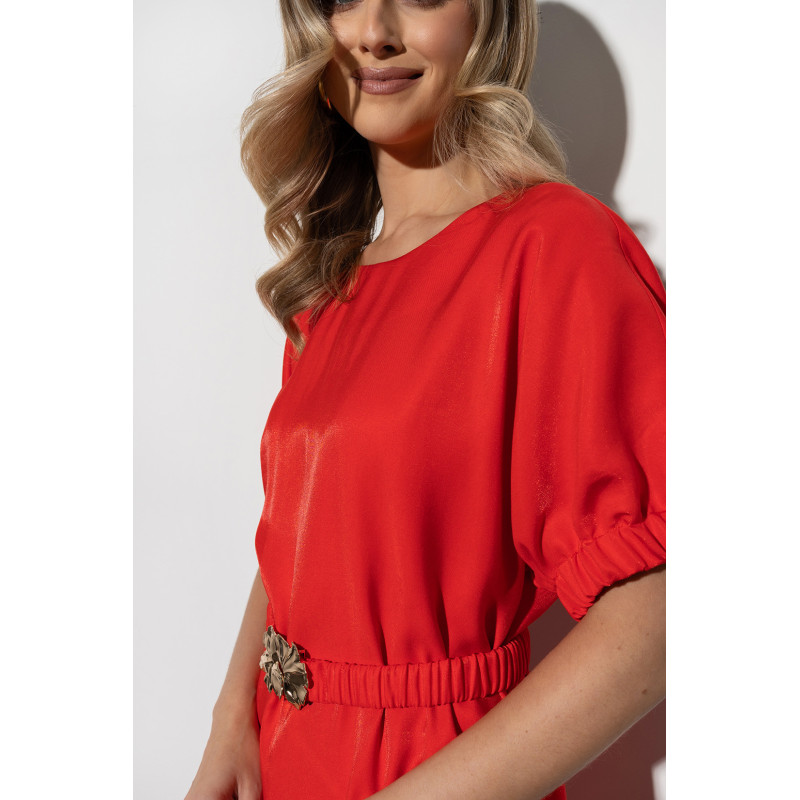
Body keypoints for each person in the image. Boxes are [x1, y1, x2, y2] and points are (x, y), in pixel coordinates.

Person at [185, 1, 666, 798]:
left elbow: (656, 613)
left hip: (435, 772)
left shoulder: (555, 248)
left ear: (489, 20)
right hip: (283, 757)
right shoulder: (331, 285)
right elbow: (306, 541)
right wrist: (231, 719)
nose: (375, 32)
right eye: (342, 0)